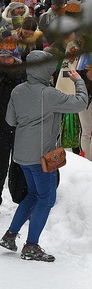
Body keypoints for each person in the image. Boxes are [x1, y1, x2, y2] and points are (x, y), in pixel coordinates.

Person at [0, 50, 88, 261]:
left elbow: (10, 121)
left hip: (21, 156)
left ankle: (10, 235)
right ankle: (31, 245)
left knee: (32, 195)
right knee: (47, 199)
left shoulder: (18, 91)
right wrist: (78, 81)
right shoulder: (49, 94)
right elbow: (81, 103)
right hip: (41, 157)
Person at [0, 32, 26, 205]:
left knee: (20, 165)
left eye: (9, 57)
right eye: (3, 57)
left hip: (19, 128)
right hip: (1, 128)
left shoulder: (23, 75)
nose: (6, 60)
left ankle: (21, 198)